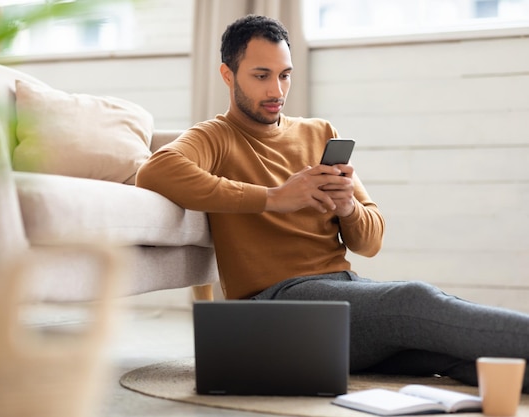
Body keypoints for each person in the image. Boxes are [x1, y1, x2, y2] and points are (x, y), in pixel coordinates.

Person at [136, 14, 529, 391]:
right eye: (261, 76)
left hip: (343, 292)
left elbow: (370, 242)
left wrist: (348, 209)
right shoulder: (215, 136)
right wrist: (274, 198)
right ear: (228, 74)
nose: (277, 91)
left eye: (285, 75)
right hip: (278, 303)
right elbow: (156, 171)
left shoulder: (319, 132)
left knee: (456, 358)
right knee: (414, 300)